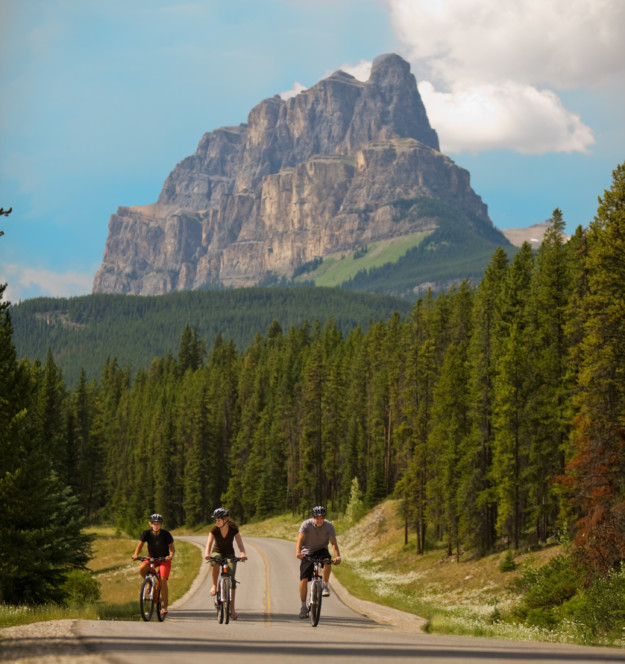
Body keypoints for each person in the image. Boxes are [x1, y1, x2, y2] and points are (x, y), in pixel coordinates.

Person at [295, 505, 341, 618]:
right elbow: (300, 540)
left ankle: (325, 586)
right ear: (313, 517)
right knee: (304, 579)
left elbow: (333, 543)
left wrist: (338, 556)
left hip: (321, 550)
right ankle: (303, 607)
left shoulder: (329, 526)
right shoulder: (306, 524)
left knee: (327, 560)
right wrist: (298, 552)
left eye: (322, 518)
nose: (319, 520)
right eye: (317, 518)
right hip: (307, 551)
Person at [204, 507, 248, 620]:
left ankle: (232, 609)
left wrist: (243, 553)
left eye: (219, 520)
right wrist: (207, 553)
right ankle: (214, 585)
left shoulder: (233, 529)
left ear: (225, 519)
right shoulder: (214, 529)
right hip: (217, 552)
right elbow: (209, 543)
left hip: (229, 554)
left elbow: (239, 543)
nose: (217, 522)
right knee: (215, 560)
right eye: (216, 520)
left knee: (232, 581)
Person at [131, 513, 175, 617]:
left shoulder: (166, 534)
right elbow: (140, 545)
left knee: (163, 580)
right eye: (154, 524)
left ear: (161, 524)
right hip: (151, 558)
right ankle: (149, 583)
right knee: (142, 568)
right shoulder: (146, 533)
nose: (156, 526)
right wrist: (136, 554)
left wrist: (170, 555)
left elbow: (172, 548)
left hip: (164, 559)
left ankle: (164, 606)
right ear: (150, 524)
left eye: (158, 524)